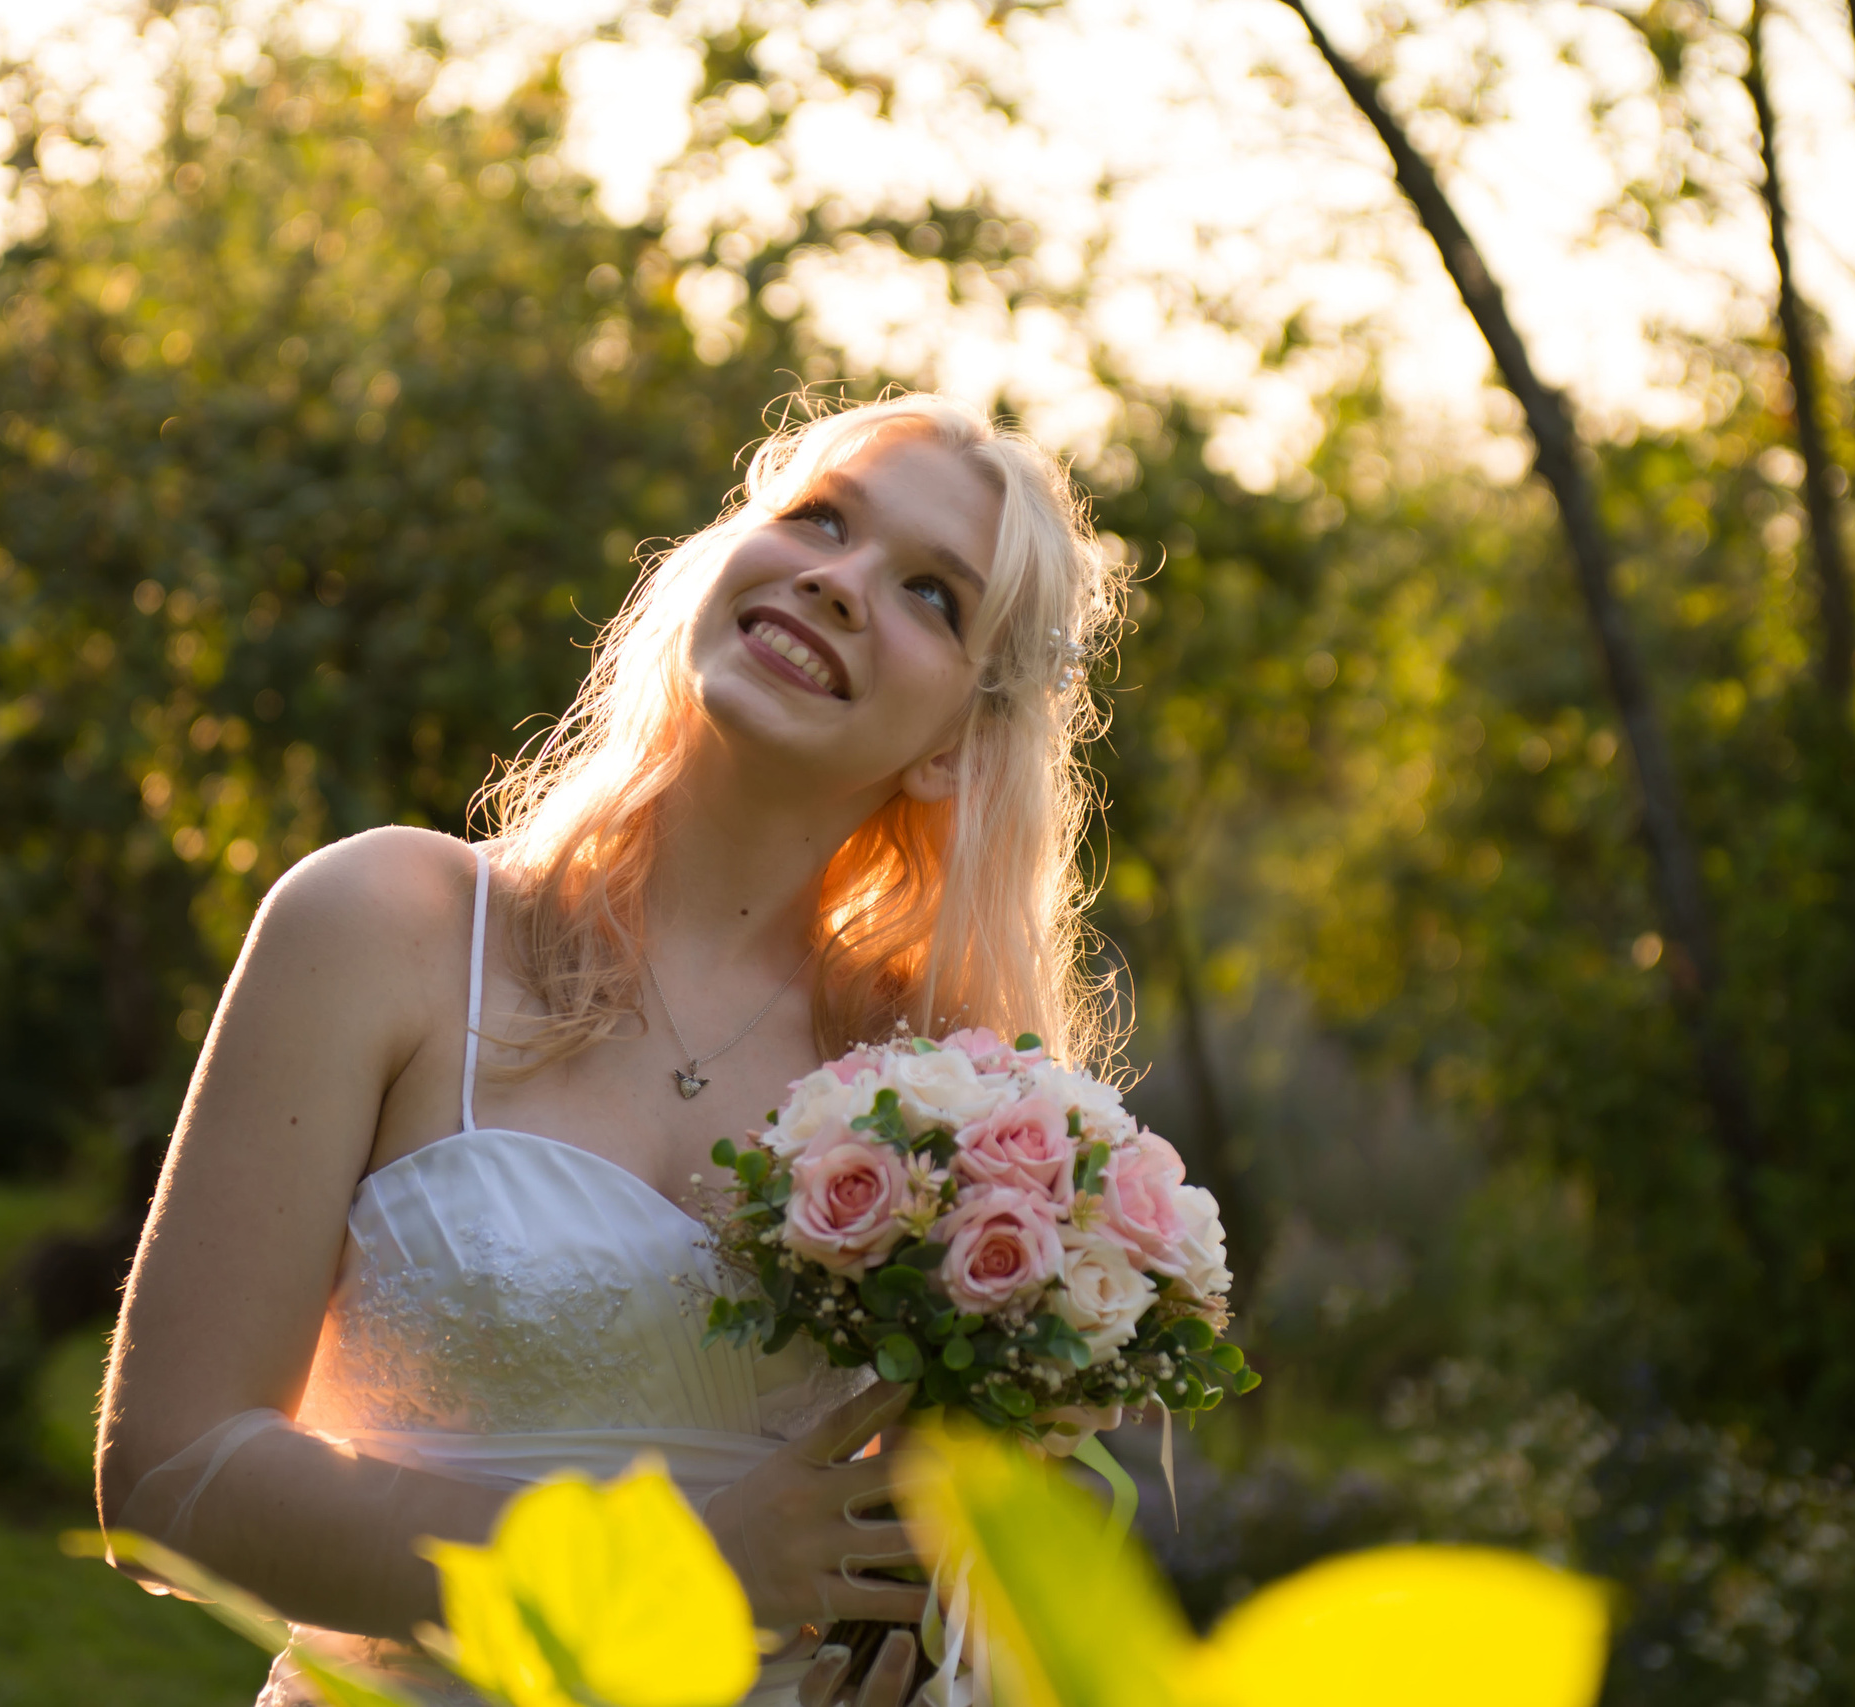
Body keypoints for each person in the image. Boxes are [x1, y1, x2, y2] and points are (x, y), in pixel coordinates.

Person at [94, 393, 1126, 1706]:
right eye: (817, 519)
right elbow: (167, 1478)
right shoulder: (382, 926)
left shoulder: (950, 1101)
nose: (841, 581)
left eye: (933, 593)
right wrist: (671, 1566)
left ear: (954, 748)